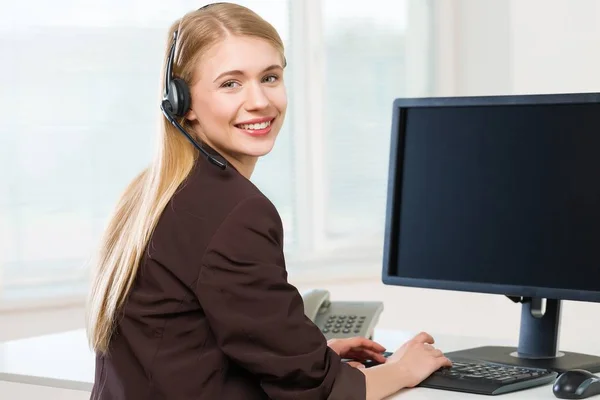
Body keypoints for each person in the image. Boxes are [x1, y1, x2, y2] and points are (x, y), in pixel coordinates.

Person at [86, 2, 452, 399]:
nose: (260, 100)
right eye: (231, 83)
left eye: (270, 77)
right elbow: (319, 393)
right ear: (182, 102)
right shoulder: (235, 211)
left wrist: (310, 356)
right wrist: (402, 370)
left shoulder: (152, 193)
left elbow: (191, 347)